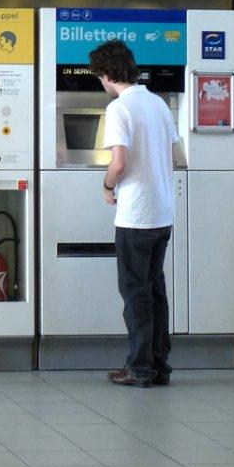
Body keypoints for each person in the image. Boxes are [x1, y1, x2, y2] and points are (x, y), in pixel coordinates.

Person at [88, 39, 177, 388]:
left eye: (100, 77)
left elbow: (119, 162)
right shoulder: (157, 104)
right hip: (162, 212)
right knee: (155, 290)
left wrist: (107, 186)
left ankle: (138, 368)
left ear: (108, 74)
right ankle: (158, 366)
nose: (101, 83)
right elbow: (172, 158)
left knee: (135, 292)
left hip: (136, 216)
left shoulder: (120, 109)